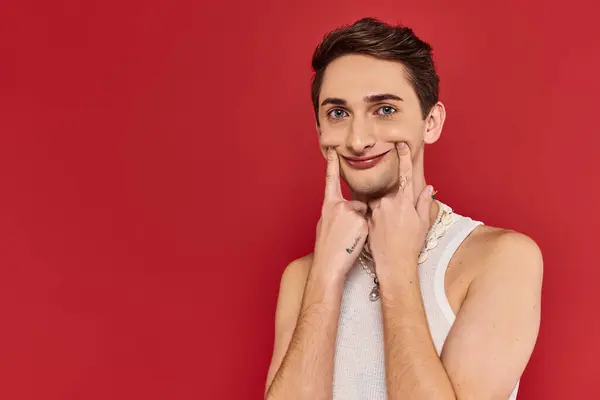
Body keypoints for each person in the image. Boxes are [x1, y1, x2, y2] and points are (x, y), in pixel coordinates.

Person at [264, 17, 543, 400]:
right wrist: (326, 277)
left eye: (384, 110)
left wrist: (397, 269)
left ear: (431, 122)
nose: (358, 140)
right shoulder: (303, 277)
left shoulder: (502, 259)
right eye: (338, 114)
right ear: (319, 133)